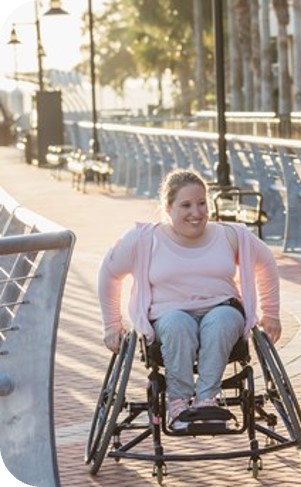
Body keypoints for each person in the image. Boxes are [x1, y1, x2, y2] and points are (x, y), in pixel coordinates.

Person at [98, 169, 281, 431]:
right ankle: (179, 403)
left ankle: (207, 400)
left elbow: (266, 263)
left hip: (222, 308)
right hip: (168, 316)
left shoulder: (230, 235)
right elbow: (108, 273)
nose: (196, 213)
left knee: (222, 320)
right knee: (177, 324)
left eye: (202, 203)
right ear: (168, 207)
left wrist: (271, 313)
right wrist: (111, 325)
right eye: (186, 205)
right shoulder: (144, 239)